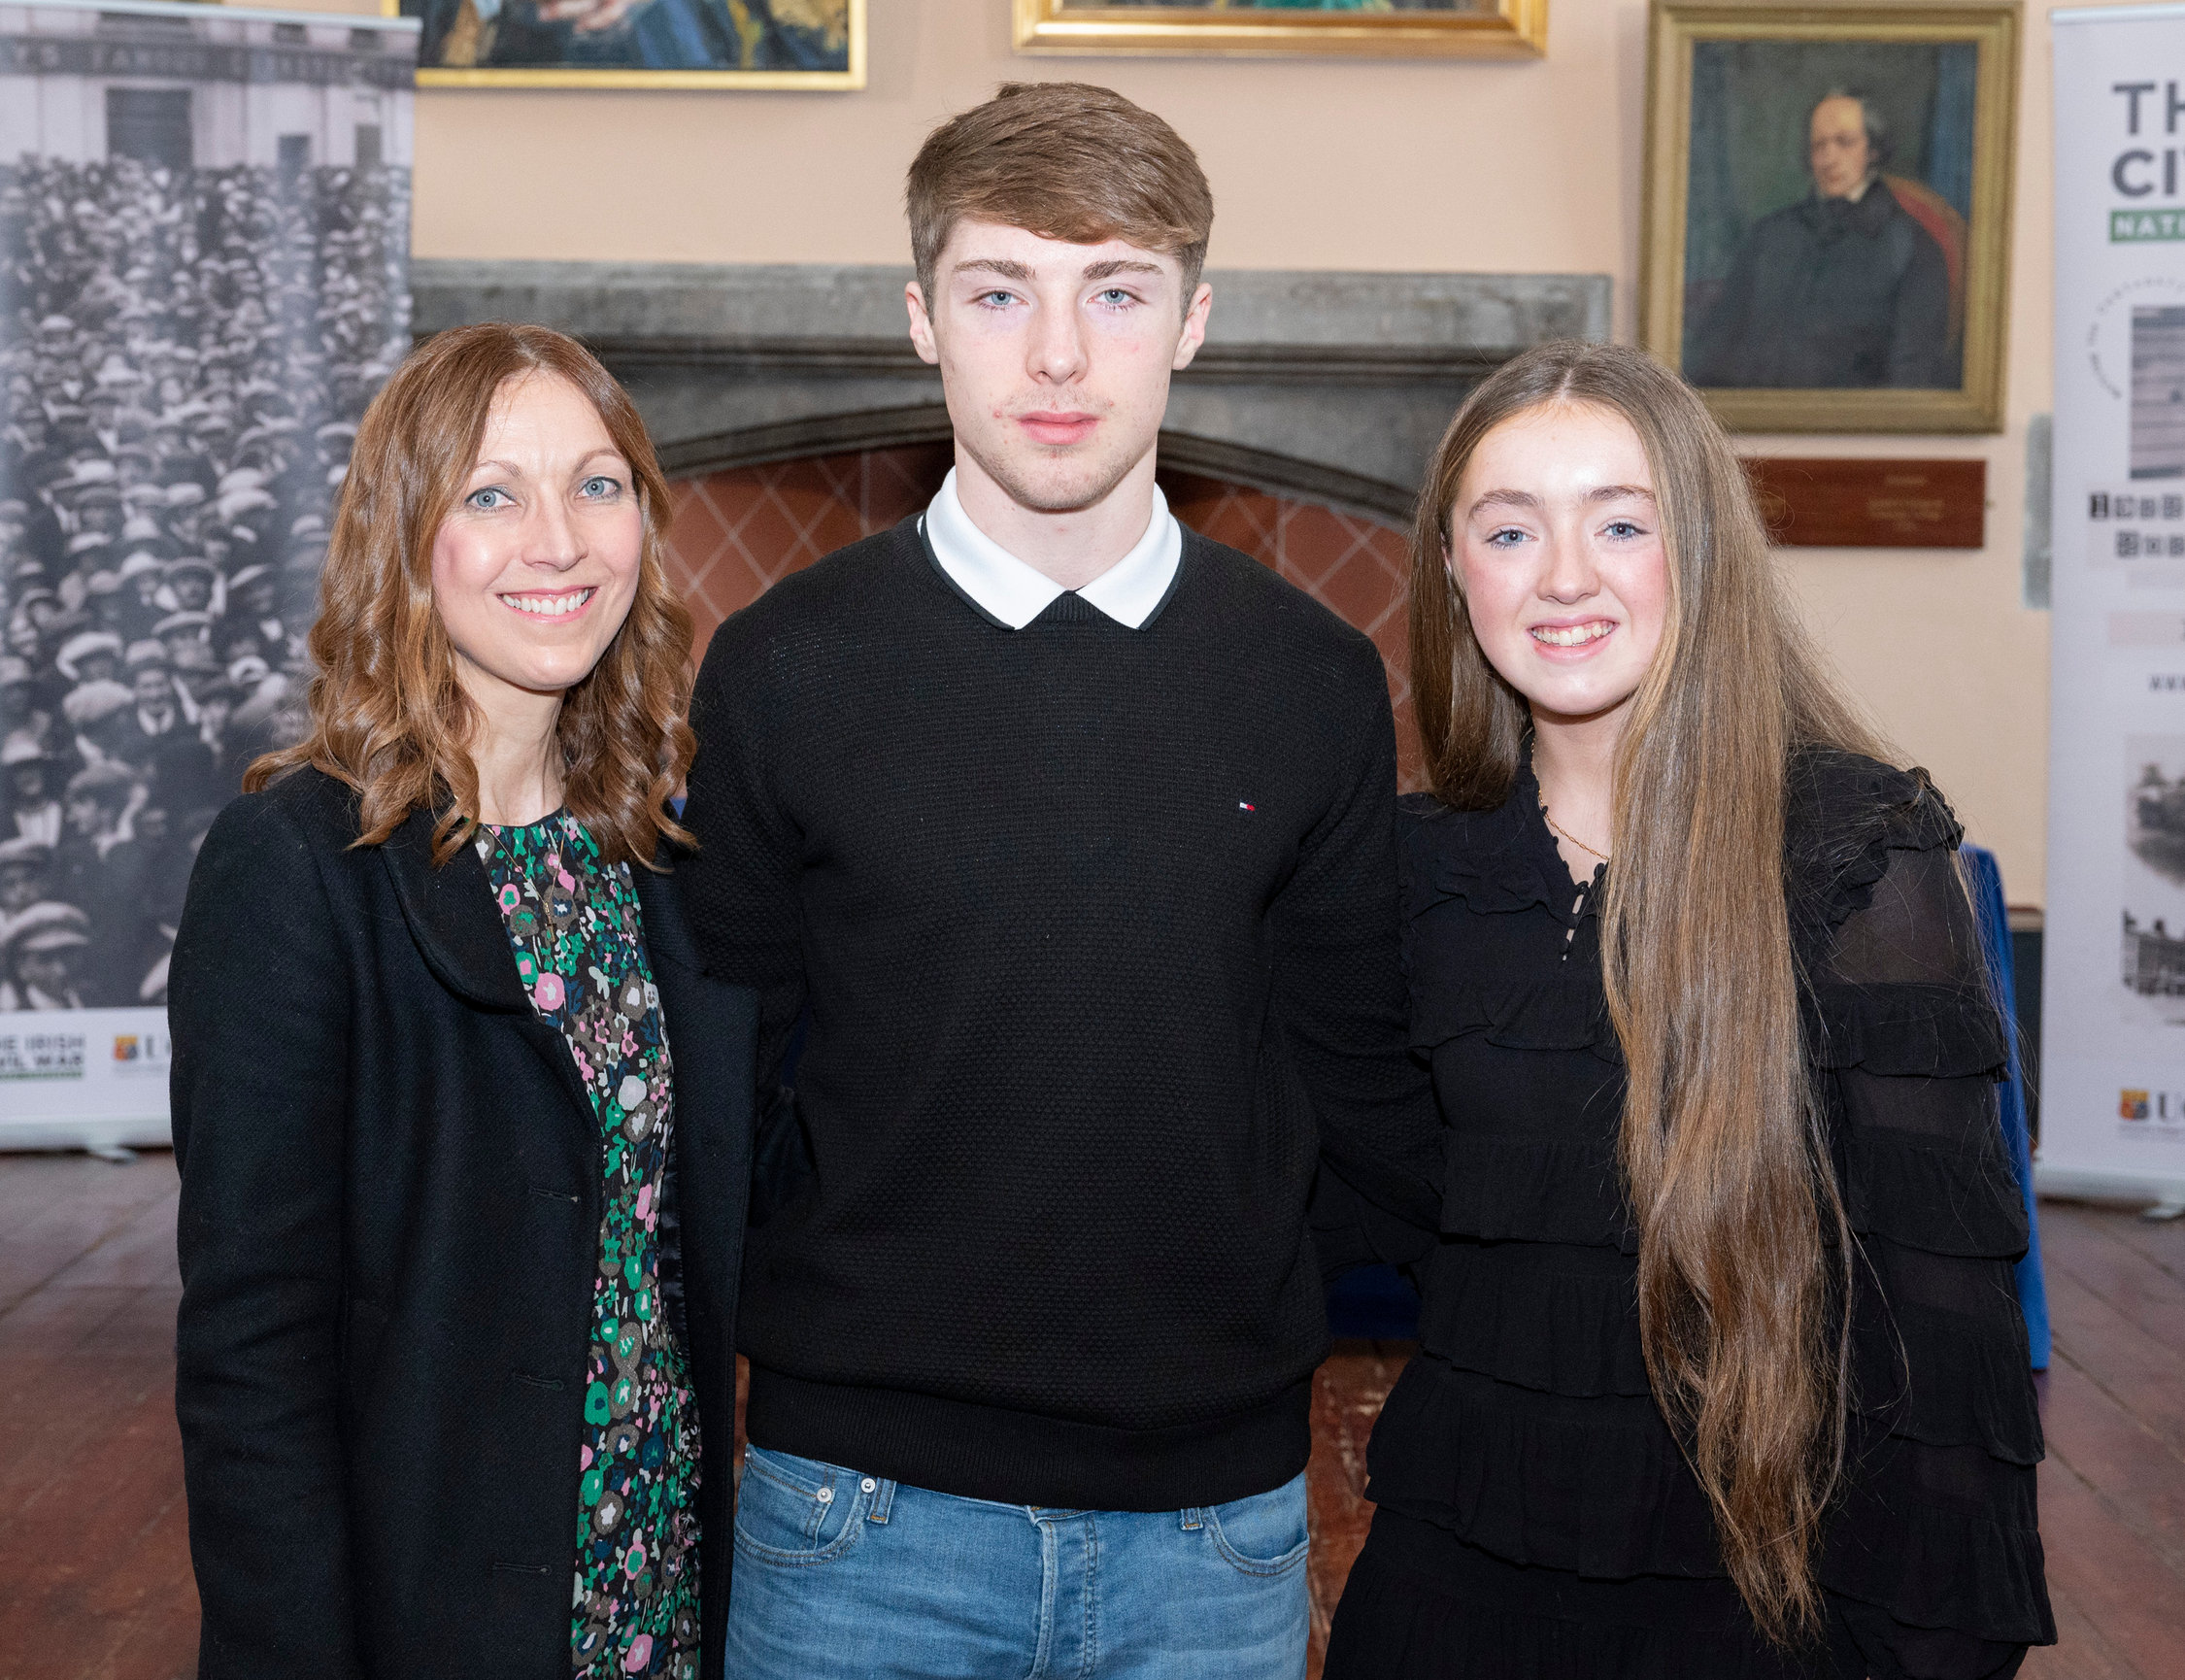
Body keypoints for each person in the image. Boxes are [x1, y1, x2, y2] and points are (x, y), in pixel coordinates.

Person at [679, 81, 1440, 1680]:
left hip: (1210, 1526)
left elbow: (1355, 1085)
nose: (1056, 355)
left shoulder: (1309, 678)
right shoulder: (781, 668)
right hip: (855, 1513)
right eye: (998, 292)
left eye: (1115, 292)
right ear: (920, 319)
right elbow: (727, 1091)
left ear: (1191, 324)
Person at [1322, 342, 2054, 1679]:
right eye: (1509, 530)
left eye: (1620, 522)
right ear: (1454, 573)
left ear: (1702, 551)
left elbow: (1952, 1346)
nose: (1563, 576)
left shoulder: (1852, 855)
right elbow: (1360, 1205)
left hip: (1760, 1598)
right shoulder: (1415, 868)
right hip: (1451, 1576)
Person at [170, 323, 756, 1679]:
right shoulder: (296, 865)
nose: (557, 540)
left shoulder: (662, 861)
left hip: (658, 1584)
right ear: (406, 541)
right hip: (427, 1614)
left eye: (597, 485)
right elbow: (252, 1351)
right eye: (492, 494)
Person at [1686, 88, 1955, 389]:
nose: (1829, 157)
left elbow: (1912, 374)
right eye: (1819, 145)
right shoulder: (1769, 236)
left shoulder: (1912, 247)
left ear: (1873, 151)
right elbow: (1716, 349)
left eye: (1844, 142)